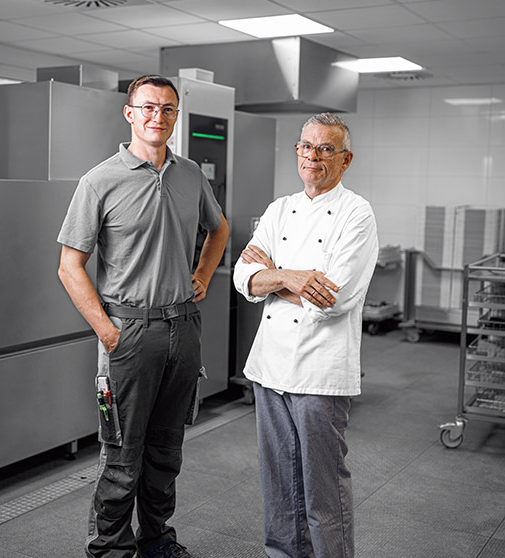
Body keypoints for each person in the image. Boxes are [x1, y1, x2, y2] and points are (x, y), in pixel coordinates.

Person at [57, 74, 229, 558]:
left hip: (183, 327)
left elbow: (218, 230)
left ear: (177, 116)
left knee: (166, 451)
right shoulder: (99, 180)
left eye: (169, 109)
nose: (159, 117)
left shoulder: (191, 174)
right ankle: (111, 549)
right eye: (149, 108)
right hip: (129, 333)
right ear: (130, 113)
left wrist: (202, 274)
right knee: (121, 454)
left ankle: (156, 540)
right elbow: (70, 267)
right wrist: (109, 333)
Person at [233, 113, 378, 558]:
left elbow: (336, 296)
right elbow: (243, 277)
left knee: (323, 488)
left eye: (325, 149)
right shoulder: (279, 209)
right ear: (296, 151)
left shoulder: (357, 212)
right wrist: (294, 278)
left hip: (319, 370)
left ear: (345, 159)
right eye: (305, 147)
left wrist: (272, 278)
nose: (312, 156)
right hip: (269, 367)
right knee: (278, 484)